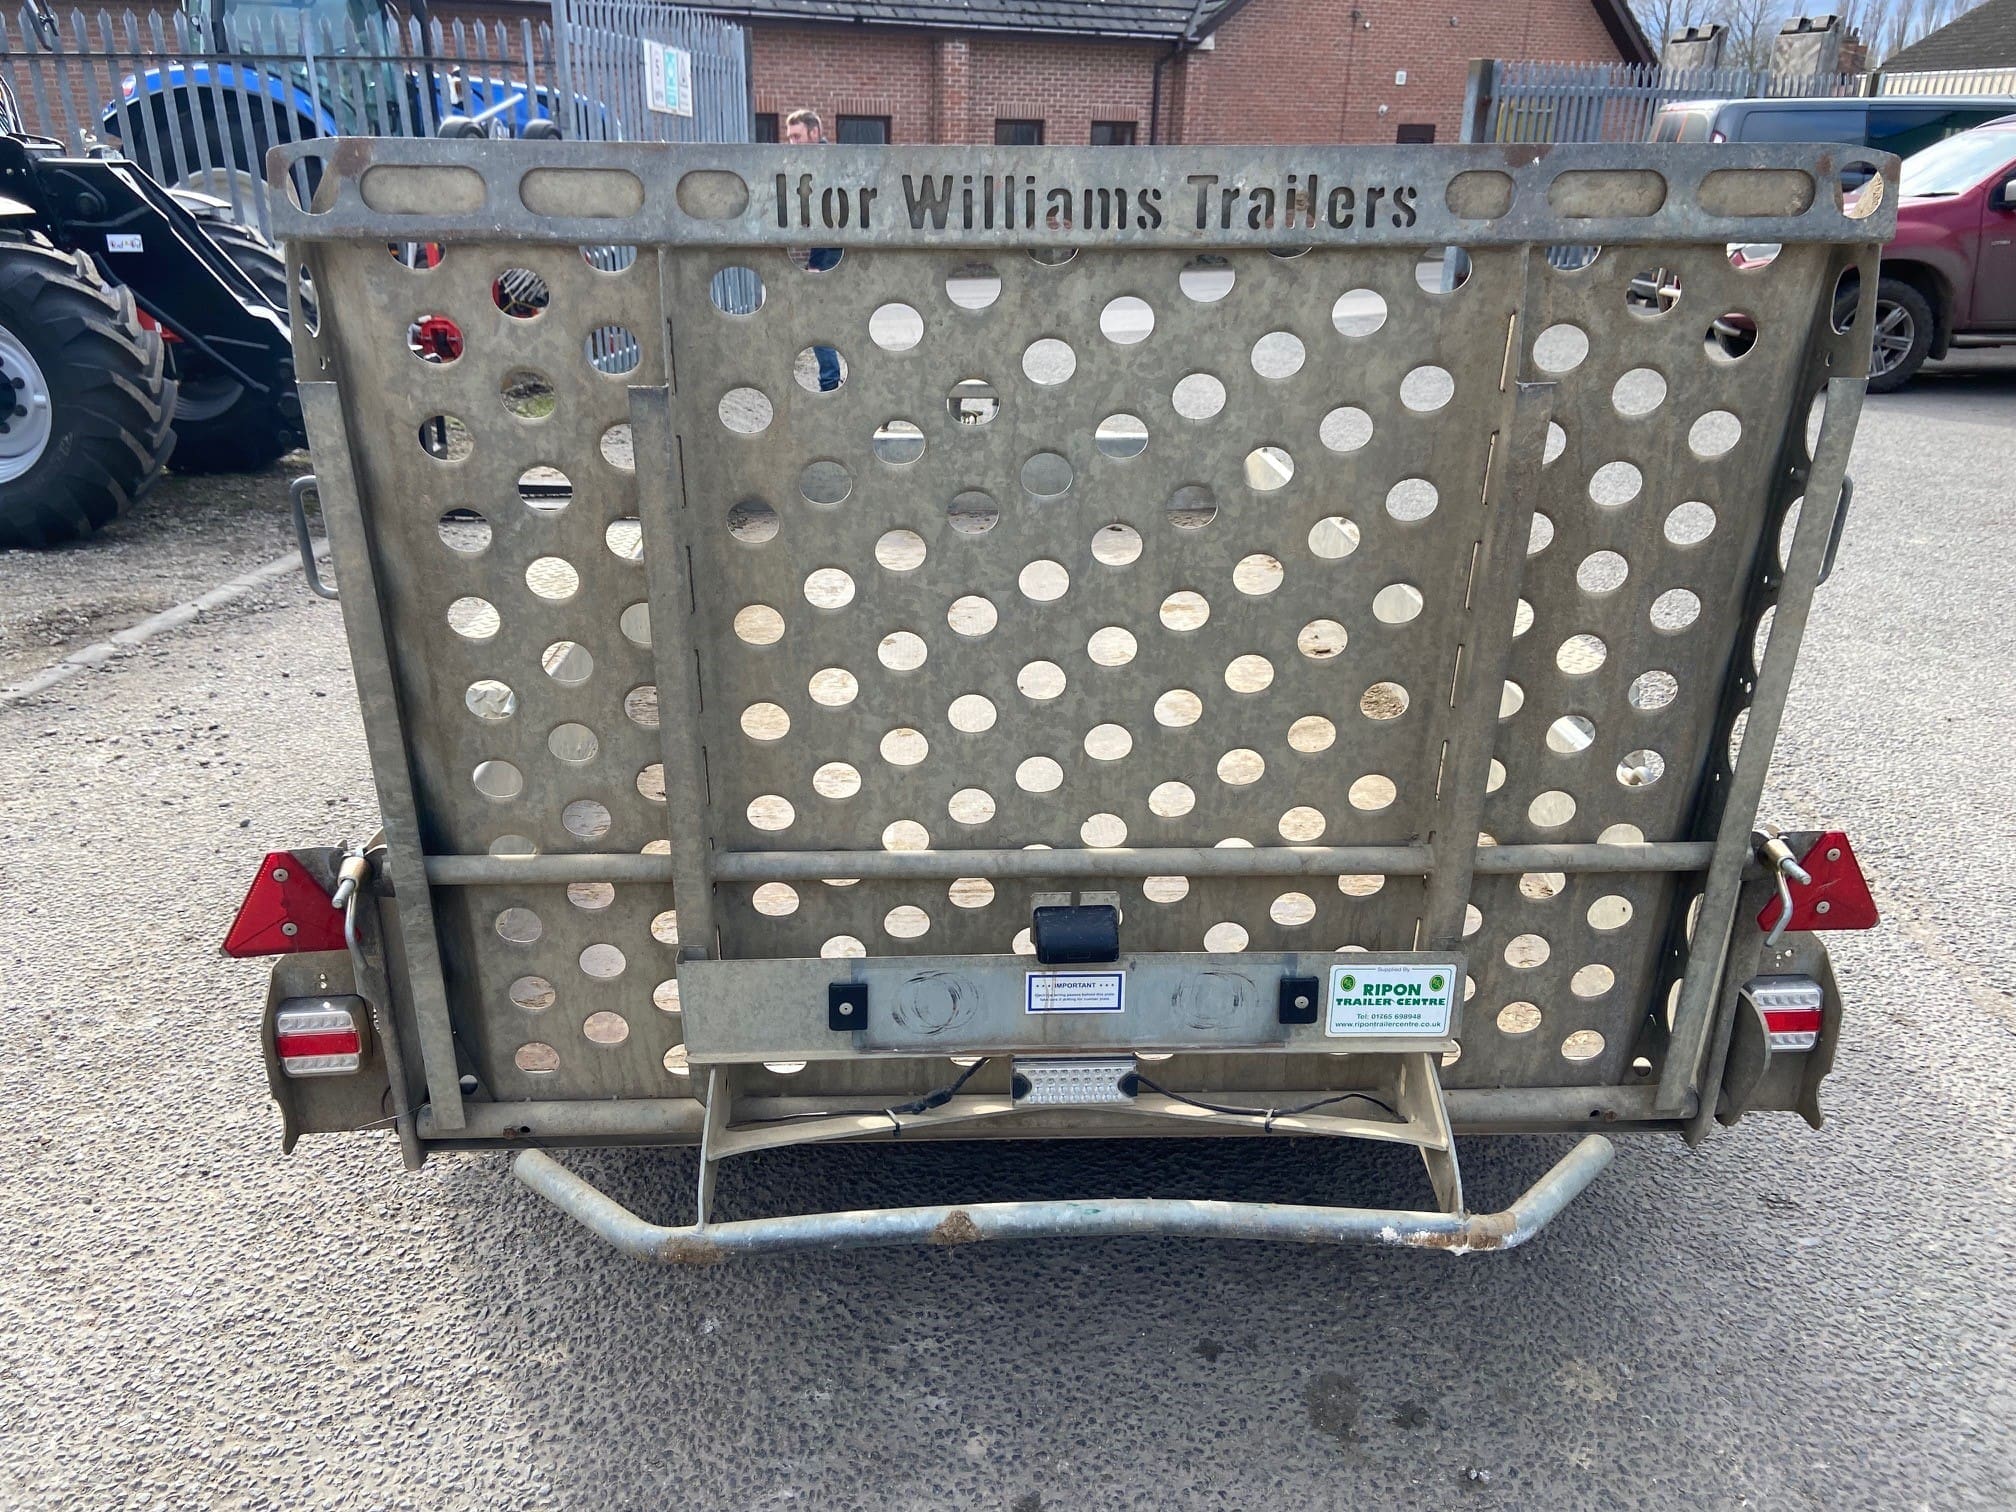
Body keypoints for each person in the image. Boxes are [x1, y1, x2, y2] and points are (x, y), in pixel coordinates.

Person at [785, 108, 843, 392]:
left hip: (832, 255)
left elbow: (832, 221)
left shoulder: (826, 164)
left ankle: (830, 382)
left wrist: (818, 263)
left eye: (797, 136)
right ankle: (832, 380)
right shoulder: (815, 164)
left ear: (815, 132)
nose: (792, 143)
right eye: (789, 138)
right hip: (828, 254)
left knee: (818, 320)